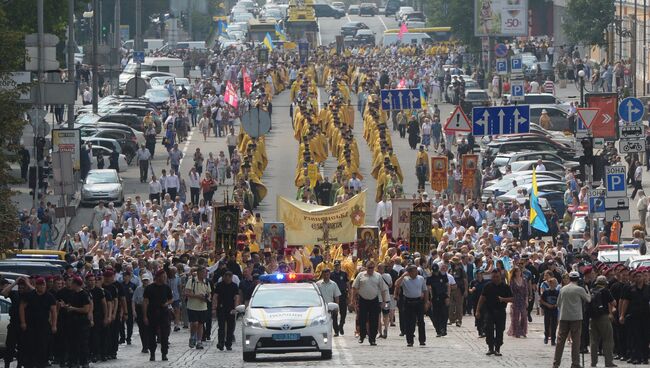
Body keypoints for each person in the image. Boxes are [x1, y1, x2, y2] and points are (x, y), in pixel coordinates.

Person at [552, 271, 591, 368]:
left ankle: (556, 363)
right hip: (576, 318)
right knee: (576, 341)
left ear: (569, 278)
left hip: (564, 317)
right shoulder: (579, 289)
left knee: (560, 342)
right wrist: (587, 290)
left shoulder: (563, 289)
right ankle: (575, 363)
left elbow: (558, 303)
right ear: (578, 279)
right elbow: (588, 299)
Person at [19, 277, 57, 368]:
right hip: (31, 326)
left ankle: (42, 364)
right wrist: (23, 322)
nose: (42, 287)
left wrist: (54, 325)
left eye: (44, 285)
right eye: (40, 285)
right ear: (36, 286)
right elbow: (21, 308)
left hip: (44, 326)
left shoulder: (49, 296)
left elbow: (54, 311)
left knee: (43, 348)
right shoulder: (29, 295)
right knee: (30, 347)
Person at [476, 269, 513, 356]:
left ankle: (497, 349)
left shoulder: (505, 287)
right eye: (493, 277)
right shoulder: (488, 286)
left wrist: (503, 299)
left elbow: (512, 299)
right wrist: (477, 310)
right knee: (488, 330)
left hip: (500, 311)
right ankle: (490, 348)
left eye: (497, 277)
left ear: (500, 277)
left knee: (500, 330)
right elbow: (482, 298)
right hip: (489, 311)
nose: (495, 278)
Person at [351, 260, 389, 346]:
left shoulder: (378, 276)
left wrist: (384, 301)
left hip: (374, 300)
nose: (370, 269)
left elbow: (383, 289)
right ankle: (362, 335)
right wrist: (352, 300)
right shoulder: (361, 275)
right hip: (363, 300)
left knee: (374, 320)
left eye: (372, 268)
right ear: (366, 267)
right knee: (362, 319)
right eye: (369, 268)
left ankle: (372, 339)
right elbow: (354, 287)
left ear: (374, 268)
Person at [394, 264, 428, 347]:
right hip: (408, 302)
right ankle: (410, 341)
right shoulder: (405, 279)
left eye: (416, 271)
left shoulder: (421, 279)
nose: (416, 273)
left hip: (418, 302)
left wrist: (426, 302)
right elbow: (396, 284)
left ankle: (422, 340)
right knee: (409, 322)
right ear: (409, 272)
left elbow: (425, 290)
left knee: (421, 321)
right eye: (414, 271)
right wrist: (403, 276)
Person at [143, 269, 173, 361]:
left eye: (165, 277)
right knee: (151, 335)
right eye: (163, 277)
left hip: (163, 313)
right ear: (158, 277)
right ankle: (152, 353)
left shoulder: (166, 287)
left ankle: (164, 353)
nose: (165, 278)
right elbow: (145, 302)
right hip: (152, 313)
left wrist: (167, 303)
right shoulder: (149, 288)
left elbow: (171, 299)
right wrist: (144, 316)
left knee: (164, 335)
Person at [62, 276, 91, 368]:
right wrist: (65, 306)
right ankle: (74, 361)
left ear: (75, 284)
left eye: (72, 283)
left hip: (82, 323)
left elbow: (86, 309)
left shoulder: (84, 294)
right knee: (73, 343)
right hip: (72, 323)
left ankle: (84, 361)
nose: (71, 284)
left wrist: (73, 308)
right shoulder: (73, 294)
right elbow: (71, 305)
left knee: (82, 343)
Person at [588, 275, 616, 367]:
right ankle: (608, 362)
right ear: (605, 283)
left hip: (592, 318)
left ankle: (593, 362)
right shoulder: (605, 291)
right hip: (603, 317)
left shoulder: (592, 290)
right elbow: (613, 303)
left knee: (593, 341)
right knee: (607, 339)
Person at [185, 266, 211, 349]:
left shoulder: (206, 282)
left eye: (206, 272)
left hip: (203, 307)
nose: (205, 274)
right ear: (199, 272)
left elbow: (209, 293)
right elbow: (186, 293)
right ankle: (192, 337)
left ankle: (199, 341)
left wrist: (208, 298)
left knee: (200, 324)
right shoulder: (191, 281)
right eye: (204, 272)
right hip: (192, 306)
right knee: (194, 323)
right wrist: (197, 296)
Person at [212, 271, 239, 351]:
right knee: (221, 327)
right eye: (226, 276)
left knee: (230, 327)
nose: (227, 278)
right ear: (224, 277)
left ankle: (228, 344)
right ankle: (221, 343)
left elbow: (236, 297)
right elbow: (215, 296)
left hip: (231, 309)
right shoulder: (219, 285)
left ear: (231, 277)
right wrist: (214, 308)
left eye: (229, 276)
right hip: (221, 308)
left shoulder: (234, 286)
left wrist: (236, 308)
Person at [427, 262, 450, 337]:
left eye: (436, 271)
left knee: (444, 314)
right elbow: (428, 288)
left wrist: (448, 297)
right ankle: (438, 330)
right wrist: (428, 299)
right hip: (434, 298)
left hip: (443, 297)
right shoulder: (430, 277)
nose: (436, 273)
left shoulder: (443, 275)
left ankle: (443, 329)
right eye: (434, 272)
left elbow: (447, 286)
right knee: (435, 315)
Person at [507, 266, 529, 338]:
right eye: (516, 271)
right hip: (515, 299)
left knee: (524, 316)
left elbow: (526, 291)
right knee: (515, 317)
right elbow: (511, 291)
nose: (518, 273)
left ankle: (523, 331)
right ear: (514, 273)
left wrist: (526, 300)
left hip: (522, 299)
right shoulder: (512, 281)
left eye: (519, 271)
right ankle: (516, 332)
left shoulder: (524, 280)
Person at [132, 274, 151, 353]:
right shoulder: (138, 289)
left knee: (149, 328)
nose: (145, 281)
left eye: (147, 280)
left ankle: (149, 343)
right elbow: (133, 300)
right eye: (144, 280)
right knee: (142, 328)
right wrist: (134, 310)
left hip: (149, 309)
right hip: (140, 308)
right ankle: (145, 346)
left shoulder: (151, 288)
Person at [330, 260, 349, 336]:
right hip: (334, 296)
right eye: (335, 265)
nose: (337, 267)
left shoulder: (344, 274)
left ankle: (341, 326)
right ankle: (336, 331)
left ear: (340, 266)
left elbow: (347, 284)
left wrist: (349, 294)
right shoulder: (331, 274)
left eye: (338, 265)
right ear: (334, 266)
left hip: (342, 295)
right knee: (334, 314)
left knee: (343, 313)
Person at [540, 277, 559, 345]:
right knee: (547, 324)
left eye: (554, 283)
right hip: (547, 310)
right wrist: (547, 305)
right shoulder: (546, 292)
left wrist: (556, 305)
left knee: (554, 325)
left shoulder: (557, 292)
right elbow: (541, 300)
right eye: (551, 283)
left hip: (554, 310)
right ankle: (546, 337)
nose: (552, 284)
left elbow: (559, 301)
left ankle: (553, 340)